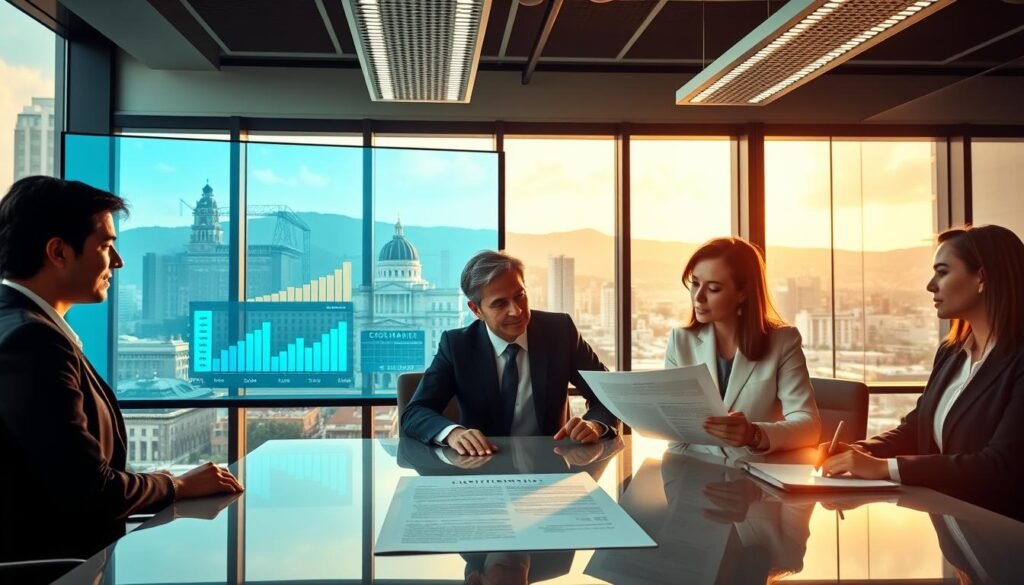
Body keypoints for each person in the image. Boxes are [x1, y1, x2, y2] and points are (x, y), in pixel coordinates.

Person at [0, 176, 243, 563]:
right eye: (105, 245)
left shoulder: (20, 326)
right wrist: (175, 484)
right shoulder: (33, 342)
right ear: (58, 252)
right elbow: (88, 489)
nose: (118, 261)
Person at [818, 224, 1024, 522]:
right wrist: (859, 451)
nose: (930, 285)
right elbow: (915, 431)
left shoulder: (1018, 361)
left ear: (981, 277)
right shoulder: (951, 353)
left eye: (942, 272)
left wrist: (883, 468)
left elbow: (999, 466)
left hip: (1000, 534)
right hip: (950, 525)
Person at [400, 250, 619, 455]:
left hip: (552, 462)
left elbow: (609, 395)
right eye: (500, 304)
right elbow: (415, 413)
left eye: (520, 296)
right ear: (476, 310)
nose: (516, 310)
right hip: (481, 465)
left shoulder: (560, 331)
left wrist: (595, 425)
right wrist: (453, 434)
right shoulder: (457, 345)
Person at [664, 237, 820, 453]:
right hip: (695, 468)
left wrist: (753, 434)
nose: (698, 297)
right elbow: (675, 433)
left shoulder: (783, 341)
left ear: (743, 293)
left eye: (714, 288)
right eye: (695, 283)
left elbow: (809, 427)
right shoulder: (680, 340)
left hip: (756, 470)